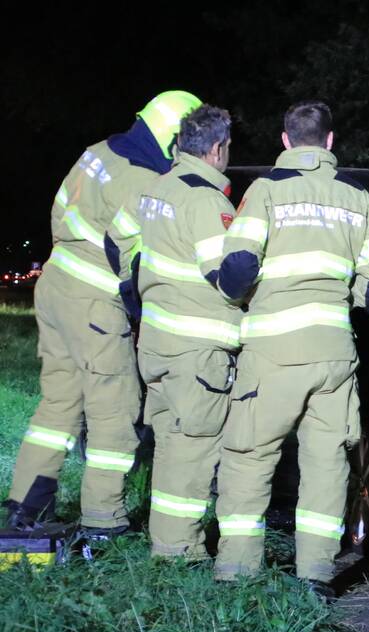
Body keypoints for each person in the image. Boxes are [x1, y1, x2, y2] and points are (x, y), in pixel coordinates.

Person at [213, 101, 369, 596]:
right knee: (327, 464)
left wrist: (243, 298)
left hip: (273, 352)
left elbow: (237, 271)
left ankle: (237, 574)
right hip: (334, 353)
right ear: (330, 142)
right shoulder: (356, 198)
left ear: (286, 140)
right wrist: (352, 296)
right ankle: (314, 577)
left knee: (250, 457)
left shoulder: (266, 191)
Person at [2, 90, 201, 535]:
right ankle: (103, 520)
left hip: (55, 286)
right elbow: (132, 256)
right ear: (174, 138)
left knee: (59, 404)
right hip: (93, 300)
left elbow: (59, 212)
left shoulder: (98, 153)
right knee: (114, 408)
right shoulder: (144, 179)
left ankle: (25, 505)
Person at [108, 105, 240, 559]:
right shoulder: (206, 201)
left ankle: (165, 544)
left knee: (169, 446)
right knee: (194, 450)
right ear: (218, 149)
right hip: (197, 353)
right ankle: (179, 552)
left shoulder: (153, 190)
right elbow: (227, 278)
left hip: (157, 345)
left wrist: (138, 297)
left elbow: (117, 242)